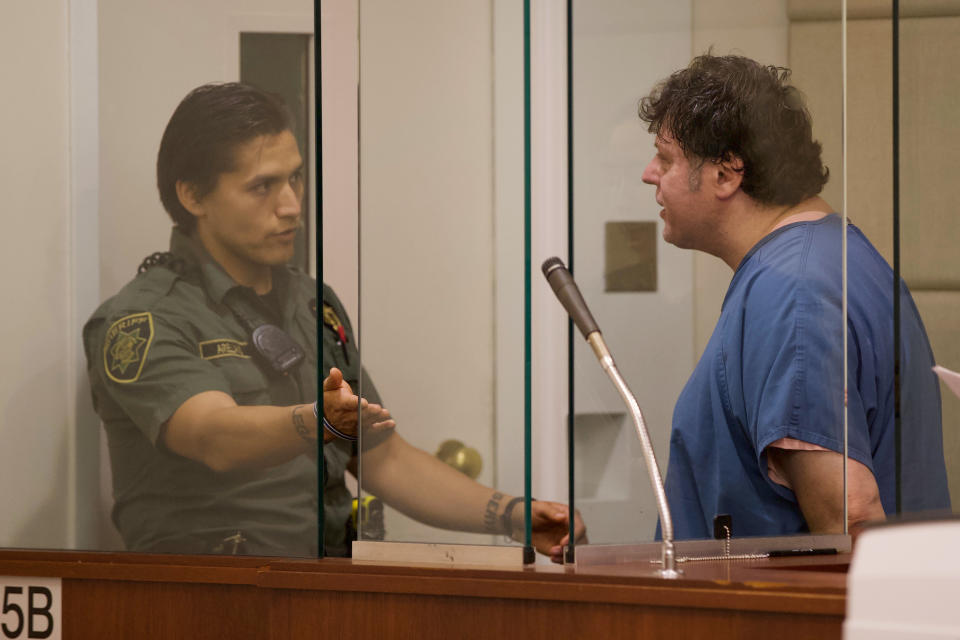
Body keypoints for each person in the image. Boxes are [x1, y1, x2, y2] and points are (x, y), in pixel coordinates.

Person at [83, 82, 584, 560]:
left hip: (324, 590)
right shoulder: (141, 319)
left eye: (295, 178)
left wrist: (514, 515)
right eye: (262, 187)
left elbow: (382, 458)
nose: (292, 206)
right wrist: (316, 421)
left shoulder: (312, 302)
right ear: (193, 196)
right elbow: (214, 436)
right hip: (208, 598)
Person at [637, 54, 950, 540]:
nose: (649, 174)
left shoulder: (791, 290)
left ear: (726, 174)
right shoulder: (838, 259)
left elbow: (852, 518)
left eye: (666, 158)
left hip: (795, 615)